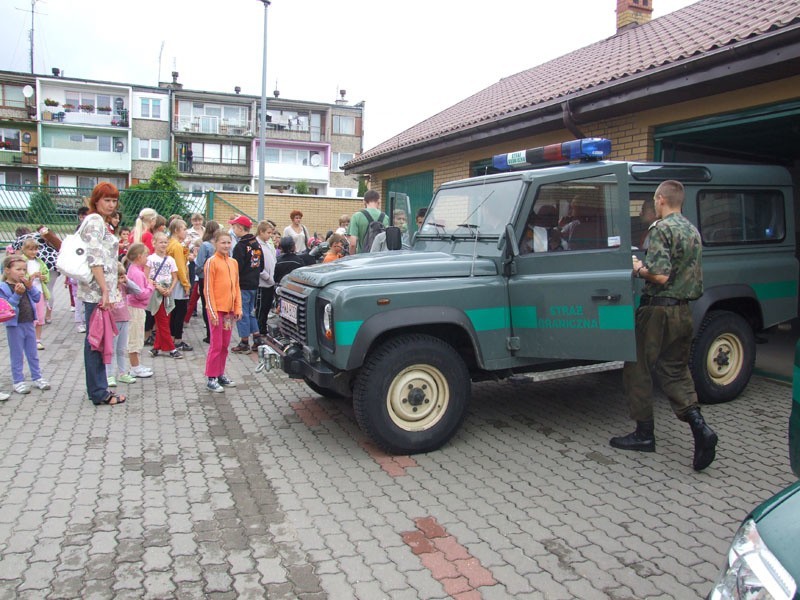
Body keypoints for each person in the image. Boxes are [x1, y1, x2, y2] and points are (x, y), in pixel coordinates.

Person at [610, 180, 718, 472]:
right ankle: (700, 427)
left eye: (654, 201)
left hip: (657, 312)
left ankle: (644, 435)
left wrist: (636, 268)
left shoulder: (661, 229)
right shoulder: (691, 229)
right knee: (675, 370)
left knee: (638, 368)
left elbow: (659, 276)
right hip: (683, 312)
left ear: (660, 200)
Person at [78, 182, 125, 406]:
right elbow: (94, 258)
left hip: (100, 292)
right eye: (106, 200)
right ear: (96, 200)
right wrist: (105, 291)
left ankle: (99, 388)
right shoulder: (95, 221)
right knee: (95, 342)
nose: (111, 204)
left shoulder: (101, 222)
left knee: (97, 340)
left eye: (114, 200)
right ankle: (99, 392)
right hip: (96, 294)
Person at [0, 254, 50, 395]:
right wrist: (16, 294)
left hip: (28, 322)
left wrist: (30, 287)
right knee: (17, 354)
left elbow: (36, 298)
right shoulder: (3, 287)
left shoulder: (25, 284)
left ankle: (37, 377)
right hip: (14, 325)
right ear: (7, 270)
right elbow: (7, 307)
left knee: (32, 352)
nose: (22, 272)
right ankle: (18, 381)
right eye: (18, 269)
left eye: (24, 269)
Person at [203, 230, 241, 393]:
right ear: (215, 243)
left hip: (229, 312)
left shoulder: (233, 262)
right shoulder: (212, 262)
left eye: (228, 242)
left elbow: (237, 286)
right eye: (222, 242)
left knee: (225, 344)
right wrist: (212, 312)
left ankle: (220, 373)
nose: (226, 245)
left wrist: (238, 307)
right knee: (216, 345)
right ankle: (211, 377)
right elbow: (208, 289)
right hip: (217, 310)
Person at [230, 215, 264, 353]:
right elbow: (261, 266)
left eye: (234, 227)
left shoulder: (241, 246)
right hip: (254, 284)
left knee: (241, 313)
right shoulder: (256, 244)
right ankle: (256, 337)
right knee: (250, 312)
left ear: (239, 227)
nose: (233, 229)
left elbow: (236, 267)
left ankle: (244, 342)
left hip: (243, 285)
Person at [145, 232, 182, 359]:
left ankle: (156, 347)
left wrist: (170, 289)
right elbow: (147, 277)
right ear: (154, 243)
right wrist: (158, 287)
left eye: (165, 242)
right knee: (161, 320)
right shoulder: (150, 259)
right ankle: (171, 348)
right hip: (156, 291)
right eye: (160, 242)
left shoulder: (170, 260)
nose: (163, 245)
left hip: (168, 291)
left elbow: (175, 277)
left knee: (166, 319)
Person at [123, 243, 155, 379]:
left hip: (137, 307)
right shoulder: (136, 273)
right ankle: (134, 367)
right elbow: (141, 294)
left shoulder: (135, 270)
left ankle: (136, 364)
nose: (147, 258)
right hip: (135, 308)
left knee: (137, 336)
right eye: (146, 255)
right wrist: (150, 287)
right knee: (135, 338)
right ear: (139, 256)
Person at [107, 263, 138, 387]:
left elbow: (137, 290)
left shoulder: (123, 286)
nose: (121, 278)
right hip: (112, 320)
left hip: (124, 319)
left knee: (121, 349)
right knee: (110, 349)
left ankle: (122, 372)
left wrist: (127, 280)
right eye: (119, 276)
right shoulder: (107, 288)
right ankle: (109, 374)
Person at [166, 219, 193, 352]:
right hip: (178, 283)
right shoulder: (176, 246)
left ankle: (173, 337)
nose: (185, 231)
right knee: (180, 311)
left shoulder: (173, 244)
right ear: (176, 230)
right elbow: (181, 266)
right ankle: (177, 339)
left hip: (173, 281)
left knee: (175, 311)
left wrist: (186, 248)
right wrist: (186, 284)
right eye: (183, 229)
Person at [20, 238, 50, 350]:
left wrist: (43, 277)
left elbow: (47, 275)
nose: (33, 252)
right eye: (30, 250)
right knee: (29, 317)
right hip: (27, 293)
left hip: (40, 292)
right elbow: (20, 277)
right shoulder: (22, 262)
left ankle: (38, 340)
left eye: (35, 249)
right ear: (24, 249)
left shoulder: (39, 262)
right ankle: (28, 339)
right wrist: (31, 277)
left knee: (40, 316)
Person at [194, 221, 220, 344]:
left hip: (205, 278)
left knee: (207, 304)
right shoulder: (217, 245)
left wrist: (198, 273)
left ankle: (210, 334)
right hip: (217, 279)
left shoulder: (205, 245)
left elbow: (199, 264)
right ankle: (215, 332)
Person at [255, 220, 277, 337]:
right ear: (261, 232)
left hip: (270, 282)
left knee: (267, 307)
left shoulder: (267, 244)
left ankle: (263, 328)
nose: (270, 235)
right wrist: (267, 277)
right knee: (261, 308)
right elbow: (257, 266)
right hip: (262, 283)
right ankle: (258, 330)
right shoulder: (256, 245)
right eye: (268, 233)